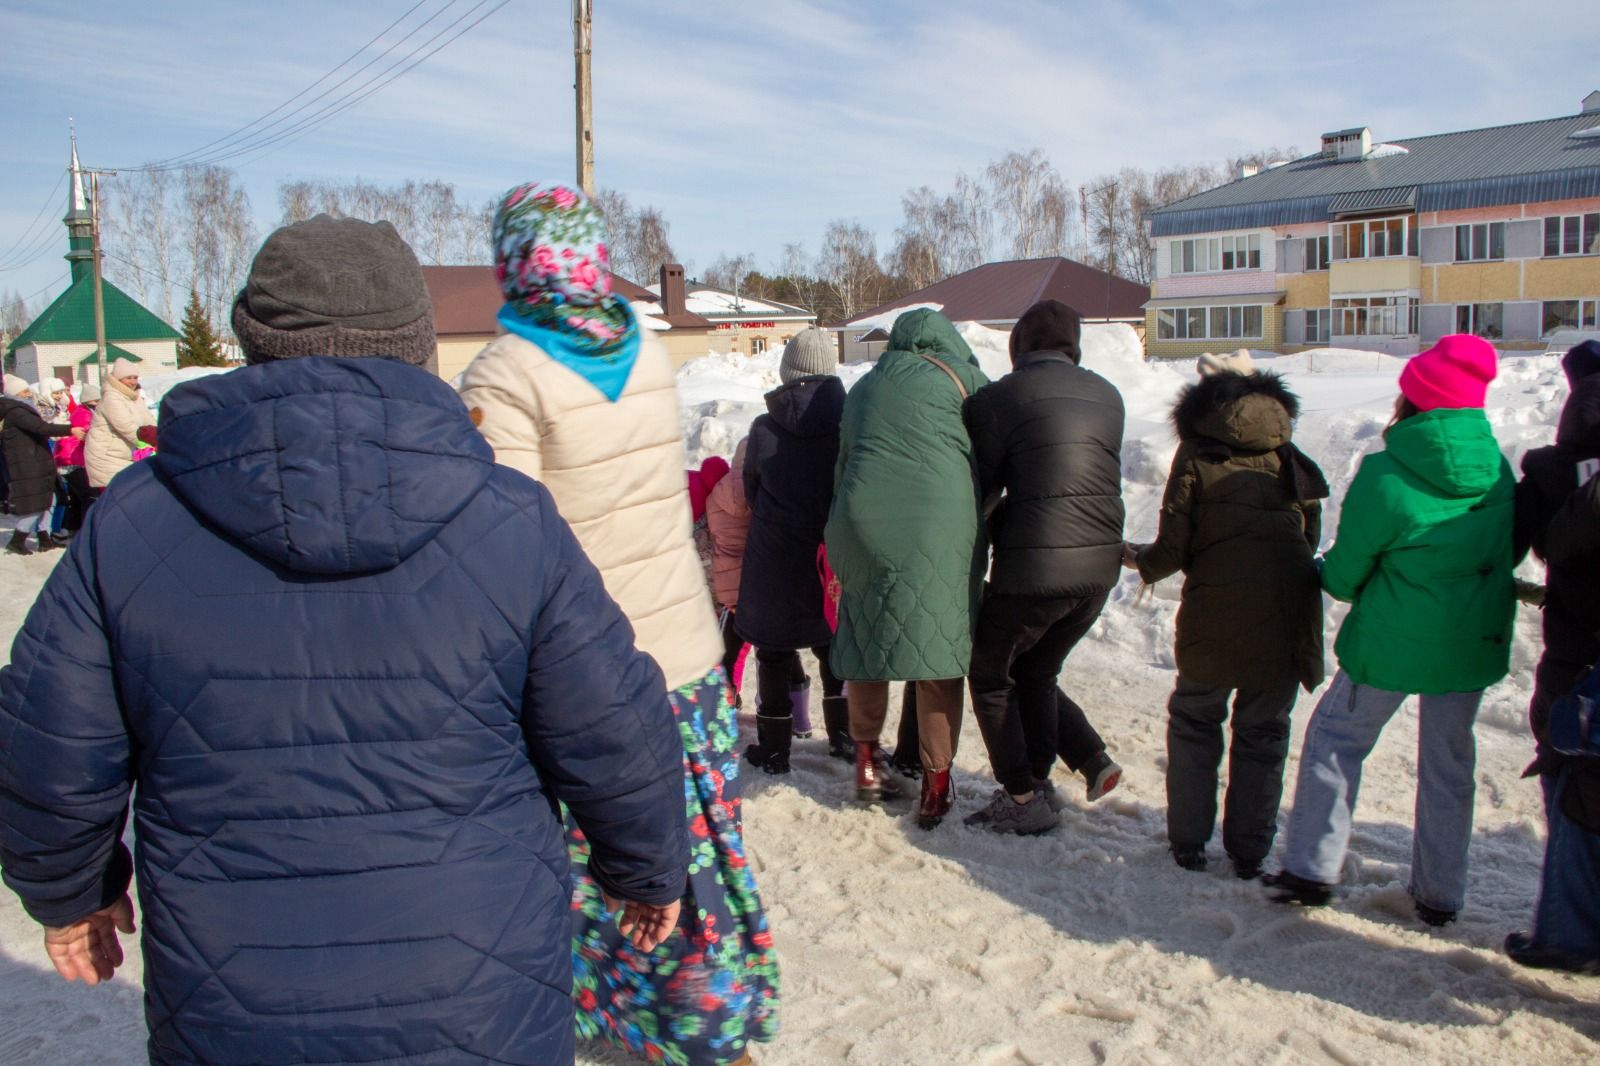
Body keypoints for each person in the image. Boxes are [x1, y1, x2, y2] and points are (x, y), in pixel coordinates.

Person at [0, 214, 690, 1064]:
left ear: (254, 340)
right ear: (416, 344)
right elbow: (614, 723)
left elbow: (48, 741)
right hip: (477, 991)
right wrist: (646, 866)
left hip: (237, 997)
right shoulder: (508, 520)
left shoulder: (135, 523)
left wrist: (70, 889)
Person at [459, 182, 777, 1066]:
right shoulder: (639, 345)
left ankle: (693, 1032)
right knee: (699, 840)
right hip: (686, 653)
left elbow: (506, 540)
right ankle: (718, 1010)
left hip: (591, 669)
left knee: (614, 856)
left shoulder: (505, 374)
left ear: (514, 259)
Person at [1271, 335, 1515, 927]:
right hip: (1469, 640)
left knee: (1335, 741)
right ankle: (1440, 894)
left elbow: (1347, 577)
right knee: (1450, 763)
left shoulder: (1386, 473)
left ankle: (1311, 868)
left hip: (1389, 642)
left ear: (1413, 401)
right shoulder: (1499, 471)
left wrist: (1327, 570)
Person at [1128, 353, 1327, 877]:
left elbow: (1173, 549)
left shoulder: (1197, 454)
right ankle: (1250, 852)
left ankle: (1190, 843)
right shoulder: (1290, 454)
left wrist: (1138, 562)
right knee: (1264, 730)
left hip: (1214, 610)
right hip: (1286, 612)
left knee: (1196, 719)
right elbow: (1310, 538)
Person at [962, 300, 1126, 835]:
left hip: (1034, 572)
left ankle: (1020, 794)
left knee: (990, 673)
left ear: (1018, 348)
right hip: (1100, 571)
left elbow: (981, 490)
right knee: (1035, 670)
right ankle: (1052, 771)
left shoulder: (999, 399)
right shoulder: (1109, 396)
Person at [826, 308, 988, 827]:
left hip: (862, 520)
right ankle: (936, 787)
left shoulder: (865, 386)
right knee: (938, 650)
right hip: (938, 525)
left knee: (867, 641)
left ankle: (868, 766)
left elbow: (844, 460)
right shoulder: (965, 379)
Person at [1506, 340, 1600, 973]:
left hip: (1579, 656)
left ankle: (1570, 934)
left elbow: (1531, 544)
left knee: (1575, 787)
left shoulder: (1553, 473)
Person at [739, 328, 848, 773]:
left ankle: (774, 750)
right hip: (832, 555)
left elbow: (752, 490)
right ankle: (843, 738)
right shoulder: (850, 425)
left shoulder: (764, 429)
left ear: (789, 374)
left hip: (775, 557)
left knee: (774, 651)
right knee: (834, 649)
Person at [1514, 340, 1600, 755]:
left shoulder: (1550, 474)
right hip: (1573, 659)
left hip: (1572, 659)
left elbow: (1502, 547)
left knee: (1562, 761)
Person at [0, 374, 76, 555]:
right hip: (28, 463)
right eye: (24, 391)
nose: (29, 394)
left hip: (36, 461)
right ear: (15, 393)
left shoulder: (21, 409)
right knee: (35, 504)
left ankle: (44, 536)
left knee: (48, 500)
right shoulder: (16, 411)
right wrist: (70, 429)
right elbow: (41, 428)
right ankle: (17, 540)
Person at [707, 438, 754, 708]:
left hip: (729, 588)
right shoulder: (764, 490)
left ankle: (726, 705)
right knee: (776, 653)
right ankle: (799, 720)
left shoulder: (717, 492)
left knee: (728, 652)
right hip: (762, 582)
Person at [84, 358, 155, 490]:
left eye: (135, 377)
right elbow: (127, 427)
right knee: (118, 500)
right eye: (128, 378)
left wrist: (164, 432)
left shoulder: (133, 397)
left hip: (124, 455)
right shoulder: (111, 397)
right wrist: (156, 440)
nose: (133, 381)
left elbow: (148, 420)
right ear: (118, 379)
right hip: (107, 456)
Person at [52, 381, 97, 538]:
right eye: (96, 401)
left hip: (71, 459)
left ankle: (71, 528)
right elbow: (90, 435)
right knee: (88, 495)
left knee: (78, 497)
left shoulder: (83, 411)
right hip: (72, 460)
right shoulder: (84, 414)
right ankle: (85, 531)